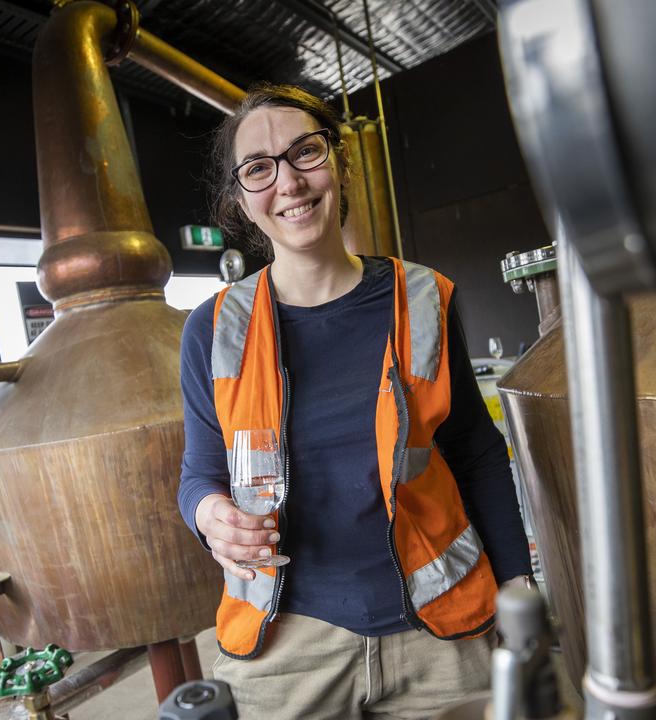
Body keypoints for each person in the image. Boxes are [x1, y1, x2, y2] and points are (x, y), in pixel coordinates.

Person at [177, 83, 532, 720]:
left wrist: (514, 583)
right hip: (287, 647)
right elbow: (199, 475)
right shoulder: (212, 327)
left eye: (304, 153)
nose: (288, 182)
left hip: (440, 635)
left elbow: (477, 453)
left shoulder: (423, 298)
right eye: (258, 168)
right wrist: (210, 516)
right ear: (239, 199)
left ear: (338, 164)